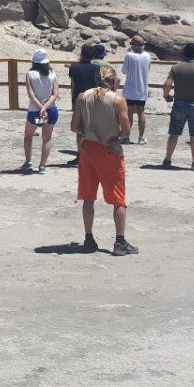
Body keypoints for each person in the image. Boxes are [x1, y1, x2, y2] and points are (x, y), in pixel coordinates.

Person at [71, 65, 138, 256]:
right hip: (109, 150)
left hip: (88, 150)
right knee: (118, 198)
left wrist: (90, 131)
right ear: (113, 80)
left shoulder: (83, 97)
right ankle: (119, 241)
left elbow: (75, 126)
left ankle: (89, 238)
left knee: (88, 197)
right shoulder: (118, 101)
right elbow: (126, 131)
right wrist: (110, 133)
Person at [161, 44, 194, 171]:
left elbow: (167, 84)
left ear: (183, 54)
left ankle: (167, 160)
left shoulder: (176, 67)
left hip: (179, 103)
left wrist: (166, 96)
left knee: (174, 133)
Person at [22, 49, 60, 174]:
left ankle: (28, 161)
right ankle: (42, 166)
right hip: (51, 110)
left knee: (28, 136)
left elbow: (31, 95)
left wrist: (41, 108)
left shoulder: (30, 74)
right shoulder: (52, 73)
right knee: (47, 138)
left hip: (36, 112)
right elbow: (55, 94)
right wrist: (45, 108)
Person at [66, 44, 101, 166]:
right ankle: (93, 156)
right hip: (92, 100)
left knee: (79, 130)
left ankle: (80, 155)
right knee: (92, 129)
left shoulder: (74, 68)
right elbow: (98, 86)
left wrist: (73, 100)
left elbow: (73, 85)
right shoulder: (96, 68)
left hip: (78, 100)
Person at [120, 36, 152, 146]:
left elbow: (124, 70)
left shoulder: (129, 55)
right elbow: (148, 69)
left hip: (130, 89)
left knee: (129, 114)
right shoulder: (147, 56)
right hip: (142, 89)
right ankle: (141, 137)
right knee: (141, 112)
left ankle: (126, 137)